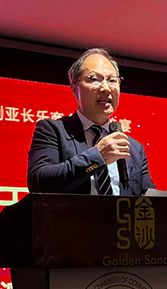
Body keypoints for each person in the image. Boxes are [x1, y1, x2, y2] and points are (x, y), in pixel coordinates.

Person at [27, 48, 155, 195]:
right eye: (94, 79)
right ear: (74, 89)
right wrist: (97, 156)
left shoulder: (134, 148)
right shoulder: (53, 130)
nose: (106, 88)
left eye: (112, 80)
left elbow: (148, 199)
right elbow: (38, 182)